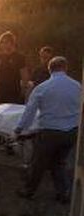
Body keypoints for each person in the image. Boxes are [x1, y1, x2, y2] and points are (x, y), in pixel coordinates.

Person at [15, 56, 81, 204]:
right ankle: (63, 193)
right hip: (71, 132)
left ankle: (28, 191)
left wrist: (19, 129)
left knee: (38, 164)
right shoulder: (77, 86)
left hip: (50, 133)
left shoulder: (42, 88)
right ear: (66, 68)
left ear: (49, 69)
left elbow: (29, 112)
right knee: (59, 163)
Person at [0, 31, 30, 104]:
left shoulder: (20, 57)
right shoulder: (0, 57)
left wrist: (23, 92)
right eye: (2, 43)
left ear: (12, 43)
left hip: (13, 93)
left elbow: (25, 76)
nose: (3, 45)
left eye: (6, 42)